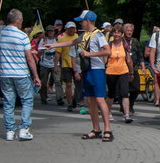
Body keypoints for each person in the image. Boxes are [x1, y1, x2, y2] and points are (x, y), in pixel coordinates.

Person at [52, 10, 113, 141]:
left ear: (88, 21)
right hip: (87, 70)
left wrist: (89, 54)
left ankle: (108, 129)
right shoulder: (84, 35)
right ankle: (96, 129)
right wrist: (53, 45)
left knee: (100, 99)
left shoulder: (98, 35)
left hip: (97, 70)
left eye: (82, 21)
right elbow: (71, 43)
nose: (80, 23)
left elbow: (107, 51)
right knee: (90, 100)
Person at [0, 9, 42, 141]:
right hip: (21, 73)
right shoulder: (22, 36)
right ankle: (24, 129)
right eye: (21, 20)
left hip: (5, 73)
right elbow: (29, 58)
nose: (22, 22)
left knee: (8, 102)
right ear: (17, 21)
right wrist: (36, 76)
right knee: (27, 100)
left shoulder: (0, 34)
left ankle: (10, 131)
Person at [107, 26, 133, 123]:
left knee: (125, 93)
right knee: (111, 94)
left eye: (119, 33)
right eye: (115, 32)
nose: (117, 34)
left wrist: (131, 72)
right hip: (111, 71)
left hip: (123, 71)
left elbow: (129, 60)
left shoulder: (125, 45)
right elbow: (105, 59)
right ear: (112, 34)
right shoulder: (109, 45)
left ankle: (127, 115)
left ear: (122, 34)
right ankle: (108, 112)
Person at [56, 22, 81, 111]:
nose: (71, 30)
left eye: (73, 28)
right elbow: (58, 53)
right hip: (66, 64)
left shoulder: (78, 37)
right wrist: (55, 65)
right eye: (70, 28)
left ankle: (75, 99)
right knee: (69, 84)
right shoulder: (61, 39)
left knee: (78, 85)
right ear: (66, 29)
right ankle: (70, 103)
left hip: (77, 65)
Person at [122, 23, 143, 119]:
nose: (129, 32)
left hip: (134, 68)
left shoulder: (135, 41)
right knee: (124, 90)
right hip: (122, 68)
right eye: (127, 30)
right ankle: (124, 107)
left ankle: (130, 104)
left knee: (136, 88)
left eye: (131, 31)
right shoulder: (120, 41)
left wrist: (142, 64)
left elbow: (139, 54)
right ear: (124, 31)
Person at [37, 26, 62, 105]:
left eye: (52, 31)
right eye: (49, 31)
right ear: (47, 32)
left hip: (55, 63)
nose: (51, 32)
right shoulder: (43, 40)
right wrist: (43, 48)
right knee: (43, 82)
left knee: (57, 81)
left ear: (54, 32)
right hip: (44, 64)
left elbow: (59, 52)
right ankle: (43, 98)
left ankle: (59, 98)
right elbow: (39, 53)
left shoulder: (57, 40)